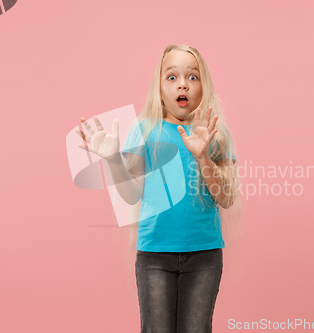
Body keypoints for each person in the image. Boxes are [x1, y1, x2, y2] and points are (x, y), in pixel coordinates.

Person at [75, 44, 242, 333]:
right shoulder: (145, 130)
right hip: (154, 255)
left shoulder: (216, 131)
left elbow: (226, 198)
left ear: (204, 84)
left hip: (205, 255)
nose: (183, 85)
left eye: (192, 77)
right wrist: (114, 160)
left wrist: (203, 155)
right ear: (160, 85)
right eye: (172, 77)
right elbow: (131, 195)